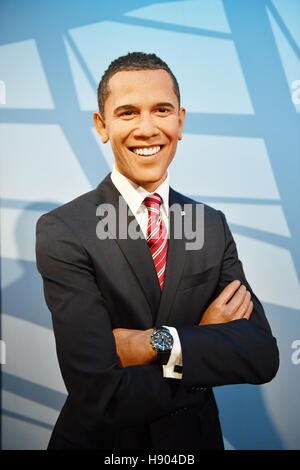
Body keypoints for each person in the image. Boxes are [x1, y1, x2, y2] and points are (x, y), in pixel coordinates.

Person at [36, 52, 279, 450]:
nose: (147, 129)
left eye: (161, 110)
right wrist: (203, 342)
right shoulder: (64, 230)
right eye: (128, 112)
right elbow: (101, 393)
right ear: (102, 125)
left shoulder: (210, 223)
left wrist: (157, 342)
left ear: (180, 121)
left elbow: (261, 354)